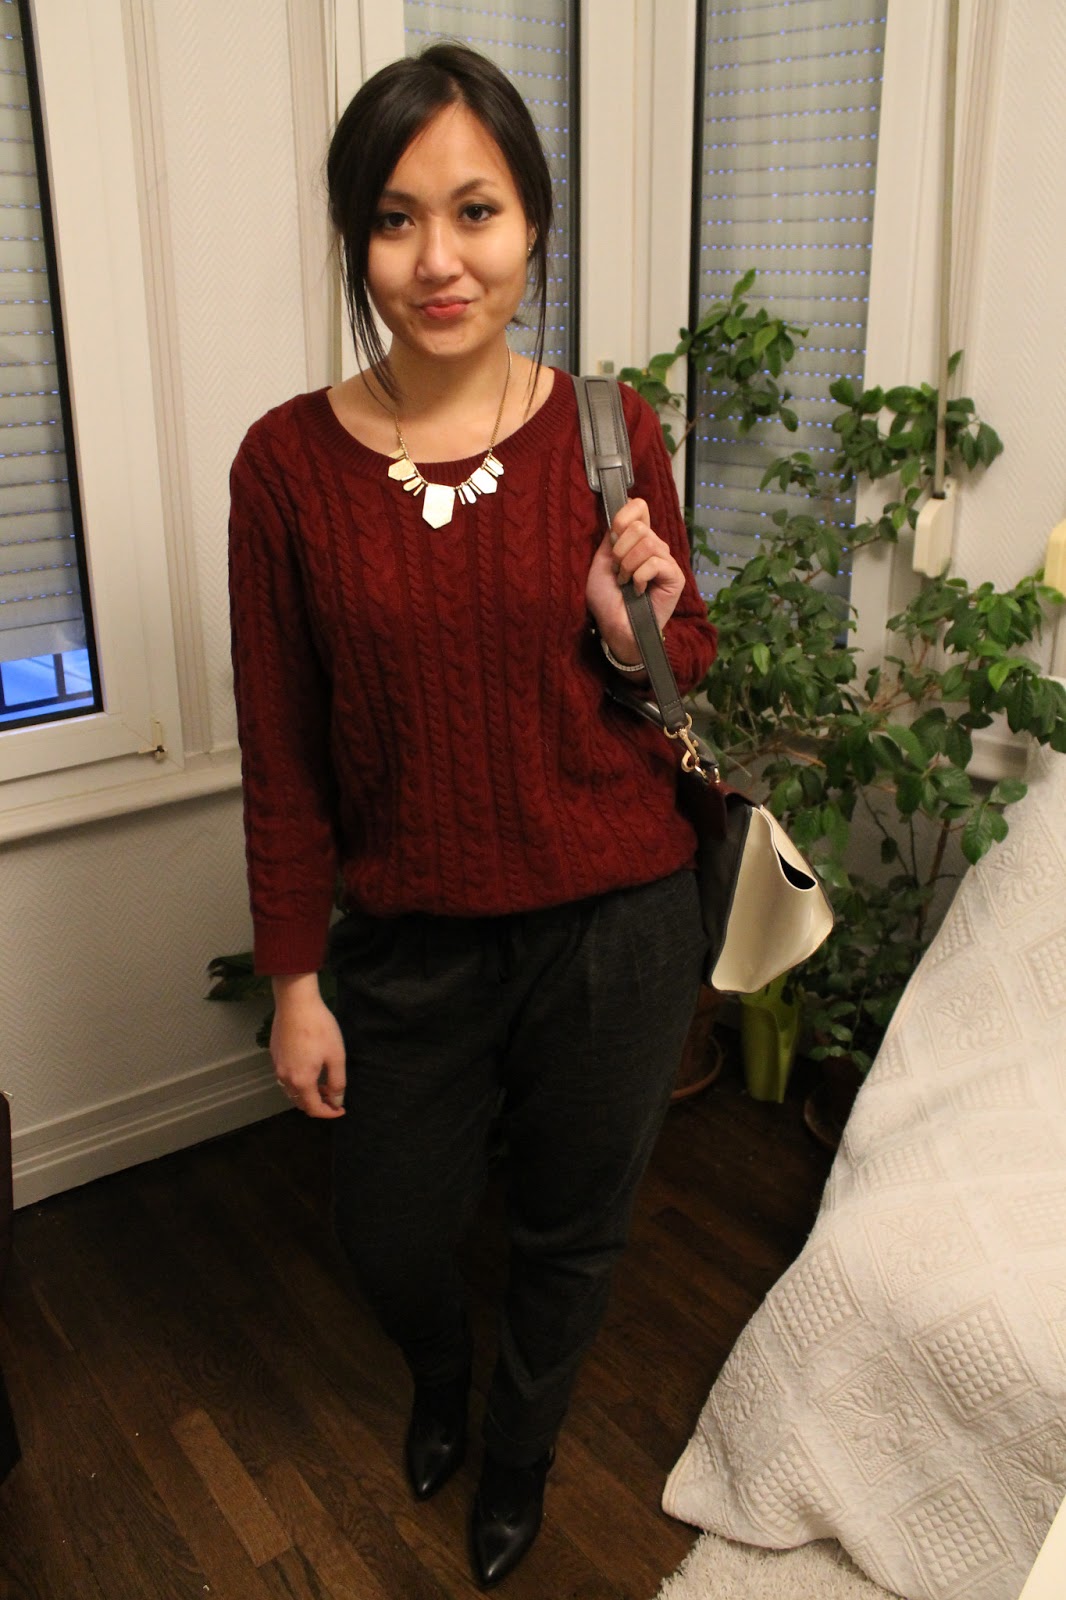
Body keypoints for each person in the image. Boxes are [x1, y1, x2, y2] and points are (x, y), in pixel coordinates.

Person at [228, 42, 716, 1589]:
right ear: (355, 238)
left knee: (574, 1231)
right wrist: (295, 980)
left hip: (616, 924)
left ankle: (519, 1451)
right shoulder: (285, 467)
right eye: (394, 218)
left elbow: (680, 670)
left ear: (532, 226)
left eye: (476, 210)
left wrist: (627, 629)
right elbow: (280, 750)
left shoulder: (608, 429)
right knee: (389, 1231)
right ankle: (440, 1375)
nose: (437, 259)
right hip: (412, 939)